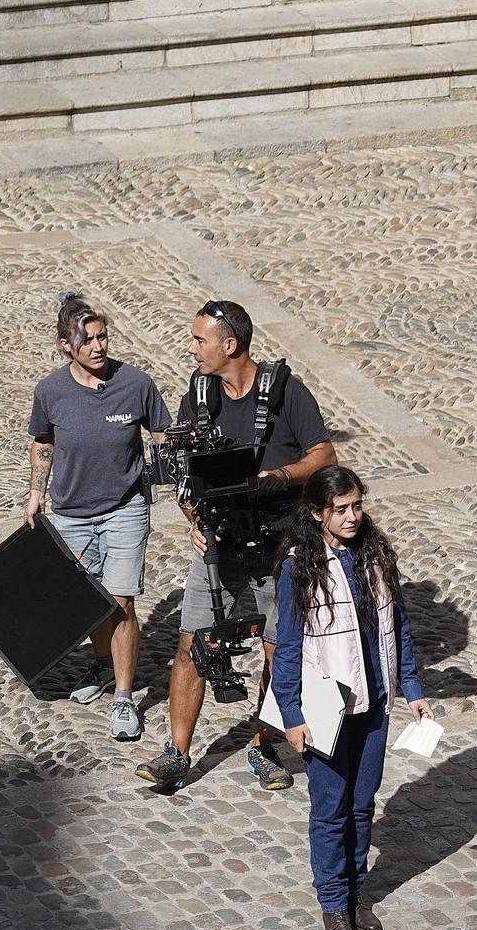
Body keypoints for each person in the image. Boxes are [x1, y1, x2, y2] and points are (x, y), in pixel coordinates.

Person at [136, 299, 336, 793]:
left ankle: (262, 745)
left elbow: (325, 454)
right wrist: (193, 519)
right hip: (219, 542)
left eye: (199, 340)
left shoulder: (286, 390)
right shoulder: (199, 394)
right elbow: (185, 471)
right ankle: (176, 753)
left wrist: (279, 478)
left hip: (278, 542)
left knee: (276, 650)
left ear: (230, 344)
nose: (191, 349)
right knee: (193, 643)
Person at [271, 466, 434, 930]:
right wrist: (292, 713)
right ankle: (334, 904)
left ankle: (359, 893)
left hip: (375, 702)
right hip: (328, 708)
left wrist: (411, 685)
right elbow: (288, 646)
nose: (351, 516)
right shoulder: (298, 567)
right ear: (318, 513)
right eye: (340, 509)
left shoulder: (377, 556)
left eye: (356, 506)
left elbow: (398, 626)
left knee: (362, 805)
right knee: (330, 810)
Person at [24, 292, 170, 740]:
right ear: (65, 345)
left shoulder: (136, 384)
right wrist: (35, 493)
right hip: (70, 513)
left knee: (122, 601)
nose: (98, 347)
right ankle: (102, 664)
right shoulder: (50, 391)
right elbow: (42, 441)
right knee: (89, 603)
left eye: (102, 337)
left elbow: (162, 434)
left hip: (125, 510)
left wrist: (162, 482)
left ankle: (124, 698)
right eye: (87, 341)